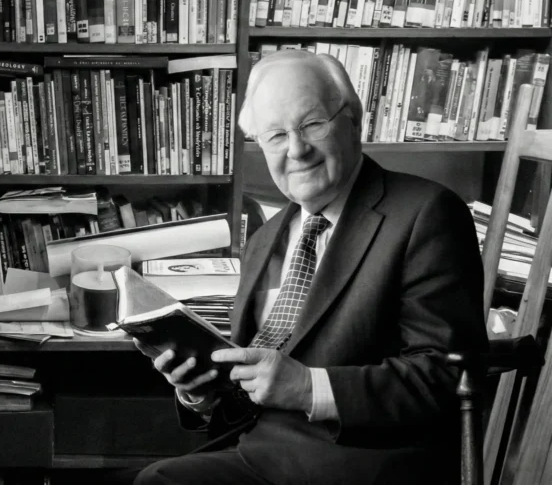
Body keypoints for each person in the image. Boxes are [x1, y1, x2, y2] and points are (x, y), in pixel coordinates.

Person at [132, 49, 489, 485]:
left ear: (354, 120)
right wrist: (199, 393)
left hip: (364, 465)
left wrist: (307, 387)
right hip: (260, 454)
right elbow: (254, 389)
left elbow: (446, 374)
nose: (297, 150)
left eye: (312, 124)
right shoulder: (265, 240)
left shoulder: (426, 213)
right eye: (276, 136)